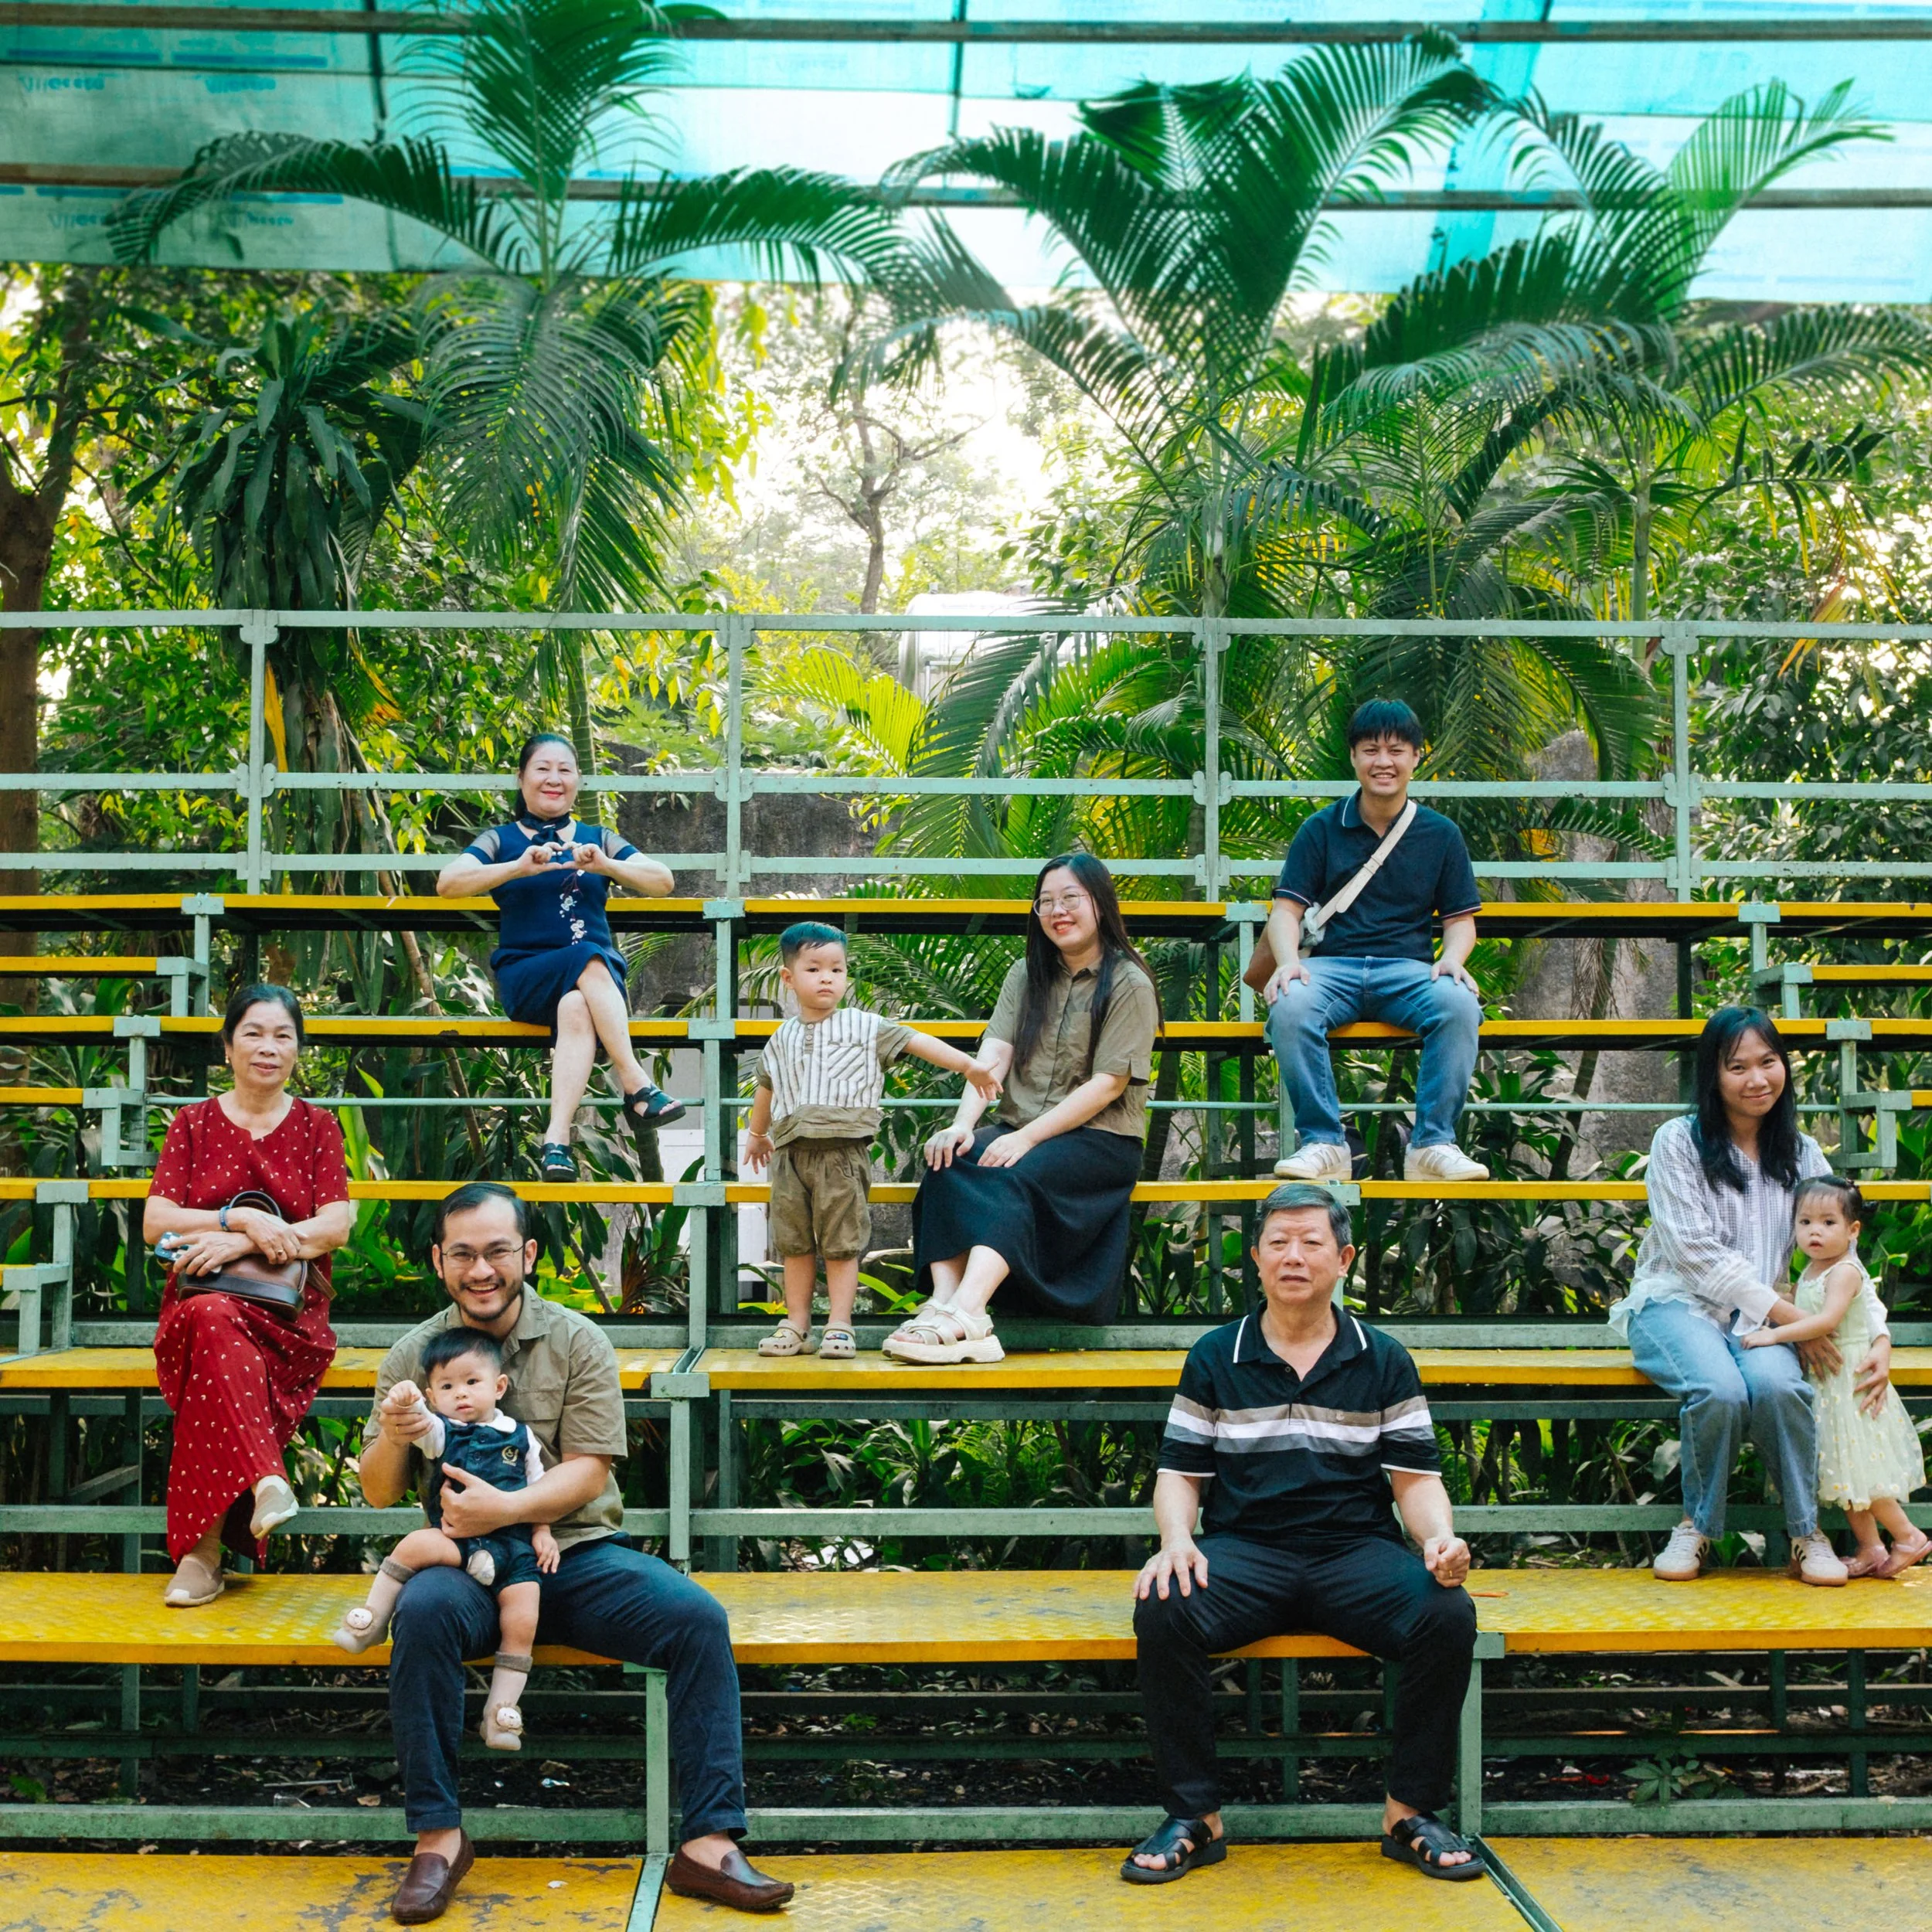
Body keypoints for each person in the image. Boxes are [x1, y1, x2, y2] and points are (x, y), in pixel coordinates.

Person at [360, 1182, 790, 1923]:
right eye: (462, 1254)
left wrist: (509, 1507)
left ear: (526, 1252)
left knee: (695, 1620)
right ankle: (438, 1837)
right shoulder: (413, 1353)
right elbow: (376, 1491)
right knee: (423, 1617)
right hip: (468, 1565)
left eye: (497, 1250)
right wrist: (399, 1435)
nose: (481, 1269)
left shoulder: (577, 1338)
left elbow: (591, 1468)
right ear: (439, 1261)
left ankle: (708, 1844)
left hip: (578, 1553)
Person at [1128, 1183, 1480, 1885]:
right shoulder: (1214, 1356)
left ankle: (1409, 1812)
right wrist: (1176, 1541)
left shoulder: (1381, 1358)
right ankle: (1196, 1818)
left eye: (1311, 1242)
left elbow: (1414, 1479)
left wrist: (1438, 1539)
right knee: (1164, 1606)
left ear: (1343, 1258)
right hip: (1245, 1551)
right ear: (1255, 1258)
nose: (1294, 1256)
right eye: (1278, 1243)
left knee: (1447, 1614)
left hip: (1354, 1553)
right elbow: (1181, 1474)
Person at [1611, 1005, 1893, 1588]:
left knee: (1778, 1387)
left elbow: (1846, 1257)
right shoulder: (1677, 1143)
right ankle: (1697, 1527)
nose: (1757, 1078)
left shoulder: (1804, 1153)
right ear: (1712, 1076)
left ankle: (1805, 1532)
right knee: (1718, 1390)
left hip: (1764, 1317)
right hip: (1676, 1303)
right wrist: (1801, 1320)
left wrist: (1880, 1335)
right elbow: (1696, 1255)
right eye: (1737, 1066)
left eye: (1768, 1061)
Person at [889, 852, 1160, 1366]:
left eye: (1071, 899)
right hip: (1019, 1126)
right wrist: (962, 1125)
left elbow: (1107, 1085)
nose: (1058, 911)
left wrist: (1027, 1138)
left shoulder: (1129, 982)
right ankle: (943, 1303)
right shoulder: (1025, 974)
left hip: (1101, 1140)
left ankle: (970, 1310)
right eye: (1046, 902)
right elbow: (992, 1058)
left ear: (1100, 904)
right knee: (950, 1159)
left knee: (1012, 1173)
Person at [143, 984, 352, 1608]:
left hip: (288, 1311)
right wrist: (237, 1220)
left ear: (297, 1051)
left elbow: (335, 1225)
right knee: (209, 1320)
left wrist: (249, 1243)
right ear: (228, 1046)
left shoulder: (317, 1126)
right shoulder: (194, 1123)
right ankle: (264, 1480)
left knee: (213, 1336)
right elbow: (158, 1222)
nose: (268, 1048)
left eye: (282, 1036)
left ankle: (201, 1558)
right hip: (203, 1298)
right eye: (254, 1034)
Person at [743, 920, 1000, 1358]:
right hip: (790, 1156)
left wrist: (968, 1066)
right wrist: (756, 1134)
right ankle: (796, 1323)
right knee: (794, 1242)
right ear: (788, 978)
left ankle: (840, 1324)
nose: (827, 977)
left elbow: (919, 1042)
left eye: (837, 970)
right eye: (814, 968)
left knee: (842, 1242)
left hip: (842, 1152)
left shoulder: (866, 1026)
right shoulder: (779, 1037)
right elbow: (766, 1087)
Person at [436, 731, 683, 1184]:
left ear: (578, 781)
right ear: (522, 778)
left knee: (576, 1001)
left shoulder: (597, 838)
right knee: (588, 954)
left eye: (564, 770)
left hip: (594, 991)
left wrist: (606, 866)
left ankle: (556, 1142)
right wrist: (518, 867)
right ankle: (634, 1082)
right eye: (543, 769)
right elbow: (449, 883)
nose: (554, 779)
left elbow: (662, 880)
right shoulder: (501, 839)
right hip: (525, 976)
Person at [1261, 698, 1488, 1185]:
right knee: (1291, 1003)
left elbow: (1460, 920)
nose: (1383, 762)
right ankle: (1323, 1143)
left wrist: (1453, 959)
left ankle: (1432, 1144)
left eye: (1395, 750)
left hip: (1407, 972)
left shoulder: (1441, 835)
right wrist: (1285, 963)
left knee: (1460, 1003)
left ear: (1417, 756)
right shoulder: (1320, 829)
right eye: (1370, 750)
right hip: (1331, 968)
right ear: (1353, 758)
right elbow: (1286, 913)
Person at [333, 1328, 559, 1752]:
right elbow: (416, 1426)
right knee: (416, 1545)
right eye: (447, 1386)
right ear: (433, 1395)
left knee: (523, 1617)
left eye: (472, 1383)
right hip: (457, 1541)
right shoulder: (441, 1431)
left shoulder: (521, 1436)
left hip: (514, 1549)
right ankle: (372, 1618)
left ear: (499, 1386)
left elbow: (538, 1487)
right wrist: (407, 1402)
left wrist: (543, 1533)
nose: (461, 1395)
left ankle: (501, 1714)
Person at [1743, 1177, 1928, 1579]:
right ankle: (1871, 1548)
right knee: (1844, 1476)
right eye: (1805, 1222)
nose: (1815, 1231)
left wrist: (1774, 1331)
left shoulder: (1845, 1271)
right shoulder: (1812, 1269)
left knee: (1862, 1474)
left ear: (1853, 1230)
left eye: (1828, 1222)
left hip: (1850, 1383)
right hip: (1829, 1385)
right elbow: (1803, 1302)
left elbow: (1826, 1320)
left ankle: (1908, 1535)